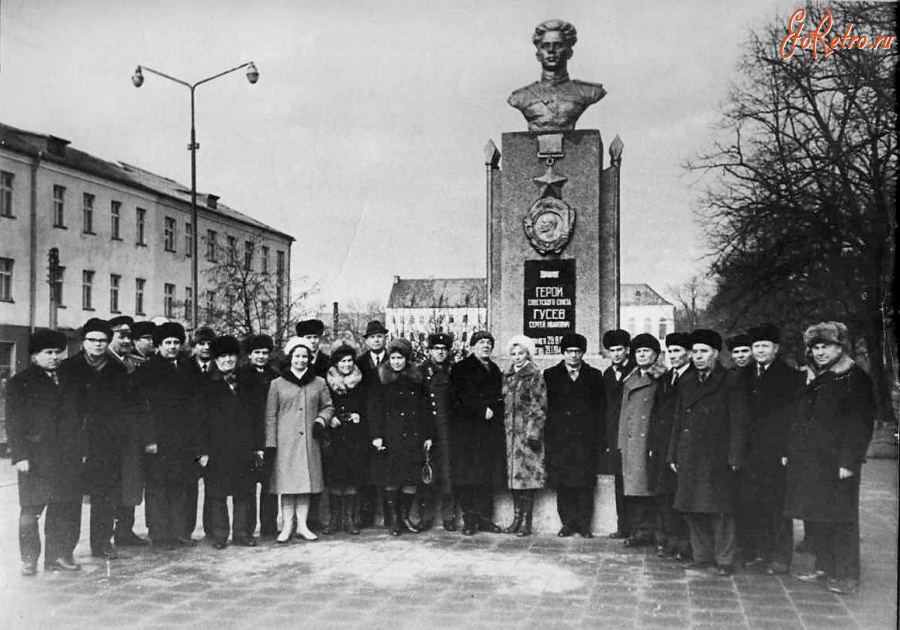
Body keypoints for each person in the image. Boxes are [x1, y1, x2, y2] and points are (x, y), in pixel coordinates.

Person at [784, 322, 875, 594]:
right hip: (811, 460)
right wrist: (791, 451)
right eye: (816, 347)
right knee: (817, 514)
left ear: (840, 347)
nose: (820, 352)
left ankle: (846, 574)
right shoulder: (814, 376)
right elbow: (798, 418)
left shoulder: (855, 377)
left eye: (827, 346)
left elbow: (860, 424)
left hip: (838, 462)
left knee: (842, 517)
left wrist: (849, 461)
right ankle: (824, 566)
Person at [667, 329, 750, 576]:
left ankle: (725, 560)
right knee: (692, 507)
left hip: (718, 455)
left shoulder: (731, 381)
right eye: (694, 352)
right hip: (689, 453)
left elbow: (739, 422)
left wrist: (735, 456)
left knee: (721, 511)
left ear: (715, 353)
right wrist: (672, 454)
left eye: (704, 351)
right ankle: (701, 556)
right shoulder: (687, 381)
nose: (698, 356)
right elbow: (678, 419)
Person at [7, 330, 83, 575]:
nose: (54, 358)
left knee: (63, 508)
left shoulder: (70, 379)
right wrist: (20, 456)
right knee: (31, 509)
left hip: (66, 455)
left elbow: (80, 416)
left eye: (57, 353)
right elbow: (13, 422)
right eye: (47, 353)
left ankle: (58, 556)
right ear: (34, 356)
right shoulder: (20, 382)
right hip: (35, 457)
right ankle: (29, 559)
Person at [62, 318, 133, 560]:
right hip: (73, 442)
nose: (98, 345)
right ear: (83, 342)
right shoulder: (68, 368)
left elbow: (125, 407)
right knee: (71, 497)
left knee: (104, 497)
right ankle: (66, 548)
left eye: (103, 340)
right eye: (92, 340)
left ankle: (102, 542)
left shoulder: (117, 370)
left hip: (106, 443)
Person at [739, 323, 804, 575]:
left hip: (776, 452)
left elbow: (794, 417)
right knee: (752, 501)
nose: (760, 350)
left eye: (765, 346)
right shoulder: (744, 375)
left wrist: (788, 450)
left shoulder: (789, 377)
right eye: (756, 346)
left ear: (775, 348)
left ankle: (780, 556)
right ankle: (759, 551)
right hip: (749, 451)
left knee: (777, 504)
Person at [135, 322, 199, 550]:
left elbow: (194, 404)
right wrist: (149, 439)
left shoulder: (187, 367)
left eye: (176, 342)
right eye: (167, 343)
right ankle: (160, 534)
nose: (172, 347)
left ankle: (179, 532)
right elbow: (143, 408)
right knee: (158, 487)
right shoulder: (147, 370)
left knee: (179, 485)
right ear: (158, 345)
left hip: (183, 439)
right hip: (159, 440)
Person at [266, 337, 334, 543]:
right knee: (287, 486)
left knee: (305, 485)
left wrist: (322, 420)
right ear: (290, 358)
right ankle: (286, 526)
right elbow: (270, 416)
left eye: (305, 357)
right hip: (285, 443)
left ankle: (302, 526)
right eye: (297, 356)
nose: (301, 360)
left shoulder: (319, 382)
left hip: (309, 442)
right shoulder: (277, 384)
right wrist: (271, 443)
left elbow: (328, 406)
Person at [198, 336, 262, 549]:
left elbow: (257, 416)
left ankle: (243, 533)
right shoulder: (206, 384)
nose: (227, 360)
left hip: (244, 447)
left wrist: (257, 447)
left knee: (244, 492)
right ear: (215, 359)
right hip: (216, 449)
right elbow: (198, 420)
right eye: (222, 356)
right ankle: (219, 535)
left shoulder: (248, 381)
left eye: (231, 355)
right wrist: (203, 451)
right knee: (217, 493)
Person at [368, 338, 434, 536]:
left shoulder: (416, 377)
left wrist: (428, 435)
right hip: (390, 435)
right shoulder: (381, 377)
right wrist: (377, 435)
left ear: (407, 358)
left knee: (410, 479)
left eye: (401, 358)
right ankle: (395, 518)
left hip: (413, 435)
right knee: (392, 478)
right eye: (393, 358)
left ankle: (405, 516)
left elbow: (425, 408)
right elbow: (374, 408)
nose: (397, 362)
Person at [544, 332, 604, 538]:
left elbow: (600, 409)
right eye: (569, 351)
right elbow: (546, 408)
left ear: (583, 353)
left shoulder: (594, 375)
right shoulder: (551, 375)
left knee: (584, 484)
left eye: (578, 351)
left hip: (585, 439)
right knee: (564, 483)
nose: (573, 356)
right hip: (560, 438)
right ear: (563, 353)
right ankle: (568, 523)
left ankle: (584, 524)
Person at [450, 331, 506, 536]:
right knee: (468, 476)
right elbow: (457, 398)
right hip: (467, 432)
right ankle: (470, 519)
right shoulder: (461, 368)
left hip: (488, 433)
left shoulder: (494, 369)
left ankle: (484, 518)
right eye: (481, 342)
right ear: (472, 346)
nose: (486, 346)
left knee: (486, 476)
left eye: (489, 343)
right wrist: (480, 409)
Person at [507, 19, 606, 132]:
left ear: (569, 53)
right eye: (545, 46)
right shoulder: (521, 96)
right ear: (538, 55)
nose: (551, 51)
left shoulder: (588, 92)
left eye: (558, 45)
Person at [618, 333, 666, 548]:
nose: (642, 355)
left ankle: (653, 532)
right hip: (632, 442)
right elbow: (624, 413)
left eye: (646, 351)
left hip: (649, 441)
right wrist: (621, 443)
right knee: (635, 490)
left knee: (649, 488)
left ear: (655, 354)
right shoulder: (630, 379)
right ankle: (639, 530)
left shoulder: (661, 378)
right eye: (638, 351)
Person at [648, 332, 693, 560]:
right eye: (671, 351)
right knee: (665, 494)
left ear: (688, 353)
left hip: (683, 446)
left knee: (682, 495)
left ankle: (686, 544)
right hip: (663, 445)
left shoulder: (694, 377)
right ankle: (669, 540)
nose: (674, 355)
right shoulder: (666, 379)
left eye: (678, 351)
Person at [105, 315, 149, 548]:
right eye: (120, 335)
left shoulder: (135, 362)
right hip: (109, 435)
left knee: (131, 482)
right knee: (109, 485)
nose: (125, 340)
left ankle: (125, 530)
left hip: (132, 435)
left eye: (128, 336)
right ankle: (104, 534)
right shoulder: (103, 362)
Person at [501, 335, 547, 537]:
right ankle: (516, 518)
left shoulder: (535, 375)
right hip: (509, 434)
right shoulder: (508, 375)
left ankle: (526, 522)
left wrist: (533, 433)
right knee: (513, 478)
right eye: (513, 354)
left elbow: (539, 405)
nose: (517, 357)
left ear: (528, 354)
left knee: (526, 478)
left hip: (527, 436)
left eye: (521, 353)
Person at [323, 340, 369, 535]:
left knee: (351, 476)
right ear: (335, 363)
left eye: (349, 361)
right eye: (342, 362)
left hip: (354, 435)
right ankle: (335, 519)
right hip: (334, 434)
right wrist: (330, 418)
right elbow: (322, 404)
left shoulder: (361, 380)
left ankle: (350, 519)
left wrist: (360, 415)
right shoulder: (326, 381)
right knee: (334, 476)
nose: (347, 365)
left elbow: (369, 404)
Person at [238, 333, 280, 538]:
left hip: (270, 434)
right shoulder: (241, 375)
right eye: (257, 353)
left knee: (269, 485)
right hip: (248, 434)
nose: (261, 356)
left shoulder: (275, 375)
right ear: (249, 354)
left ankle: (269, 526)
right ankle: (247, 528)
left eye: (265, 353)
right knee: (248, 486)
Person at [418, 333, 457, 531]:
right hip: (429, 431)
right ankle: (426, 516)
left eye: (444, 349)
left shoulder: (454, 371)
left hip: (449, 431)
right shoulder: (421, 372)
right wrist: (426, 434)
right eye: (436, 349)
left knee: (448, 474)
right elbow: (419, 406)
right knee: (428, 475)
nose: (440, 352)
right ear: (430, 351)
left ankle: (449, 517)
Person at [182, 326, 217, 541]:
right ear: (193, 347)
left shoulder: (219, 368)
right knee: (189, 485)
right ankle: (186, 530)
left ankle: (212, 529)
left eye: (208, 344)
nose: (205, 348)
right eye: (201, 344)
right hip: (188, 435)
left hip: (214, 435)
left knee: (213, 484)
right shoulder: (184, 368)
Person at [355, 320, 389, 528]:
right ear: (366, 340)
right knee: (366, 467)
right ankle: (366, 512)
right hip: (365, 422)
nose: (377, 340)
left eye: (380, 336)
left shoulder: (394, 360)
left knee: (388, 466)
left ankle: (388, 512)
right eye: (372, 337)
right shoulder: (359, 363)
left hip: (389, 420)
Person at [601, 328, 632, 538]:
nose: (616, 354)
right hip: (614, 434)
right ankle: (624, 526)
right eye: (612, 350)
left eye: (619, 349)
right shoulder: (607, 374)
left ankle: (638, 527)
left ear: (627, 350)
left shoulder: (635, 370)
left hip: (630, 433)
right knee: (619, 481)